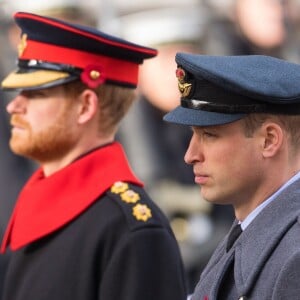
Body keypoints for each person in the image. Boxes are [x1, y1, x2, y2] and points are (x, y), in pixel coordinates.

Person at [0, 12, 187, 300]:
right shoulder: (34, 205)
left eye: (35, 94)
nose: (15, 106)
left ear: (85, 106)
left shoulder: (130, 229)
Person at [164, 53, 300, 299]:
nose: (190, 155)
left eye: (209, 135)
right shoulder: (250, 227)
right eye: (194, 135)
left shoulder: (294, 256)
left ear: (269, 140)